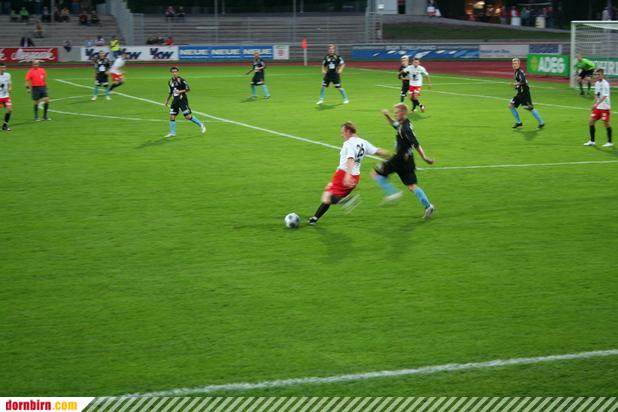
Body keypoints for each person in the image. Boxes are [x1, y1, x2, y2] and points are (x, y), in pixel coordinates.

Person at [308, 121, 389, 225]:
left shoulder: (348, 143)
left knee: (326, 196)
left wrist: (347, 175)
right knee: (330, 194)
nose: (342, 135)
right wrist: (390, 158)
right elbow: (378, 151)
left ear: (348, 131)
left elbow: (350, 158)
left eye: (342, 132)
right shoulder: (364, 143)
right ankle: (314, 219)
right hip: (355, 178)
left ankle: (346, 201)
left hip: (344, 175)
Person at [372, 104, 435, 219]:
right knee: (412, 186)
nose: (395, 114)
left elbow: (416, 144)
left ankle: (393, 193)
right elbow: (395, 125)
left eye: (396, 112)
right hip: (408, 161)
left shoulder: (406, 129)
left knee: (375, 173)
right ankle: (428, 206)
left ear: (403, 113)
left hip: (398, 160)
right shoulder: (405, 124)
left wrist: (424, 157)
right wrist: (387, 116)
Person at [163, 66, 206, 138]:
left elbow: (188, 89)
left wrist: (180, 91)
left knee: (187, 117)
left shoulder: (182, 80)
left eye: (175, 72)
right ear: (171, 73)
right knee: (172, 116)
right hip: (175, 101)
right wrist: (167, 101)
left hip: (182, 100)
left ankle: (201, 125)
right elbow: (170, 92)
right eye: (173, 72)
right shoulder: (170, 81)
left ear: (178, 72)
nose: (174, 73)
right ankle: (172, 133)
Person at [509, 58, 544, 129]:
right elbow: (521, 83)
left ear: (519, 64)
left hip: (525, 93)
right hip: (520, 93)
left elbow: (523, 81)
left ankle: (541, 122)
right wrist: (517, 86)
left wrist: (516, 84)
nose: (515, 65)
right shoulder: (516, 72)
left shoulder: (520, 72)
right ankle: (519, 123)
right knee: (511, 105)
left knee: (529, 108)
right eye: (513, 64)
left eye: (516, 63)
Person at [584, 68, 613, 147]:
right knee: (591, 122)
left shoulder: (605, 84)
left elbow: (604, 96)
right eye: (596, 74)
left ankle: (610, 142)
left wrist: (596, 104)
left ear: (602, 75)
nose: (597, 76)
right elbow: (597, 95)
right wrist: (594, 104)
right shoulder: (597, 83)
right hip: (598, 108)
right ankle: (592, 141)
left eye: (599, 74)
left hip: (605, 108)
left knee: (606, 124)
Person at [0, 64, 13, 131]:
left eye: (4, 67)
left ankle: (5, 125)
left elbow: (9, 83)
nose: (3, 69)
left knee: (9, 110)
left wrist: (10, 88)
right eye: (2, 68)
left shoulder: (8, 75)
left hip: (6, 96)